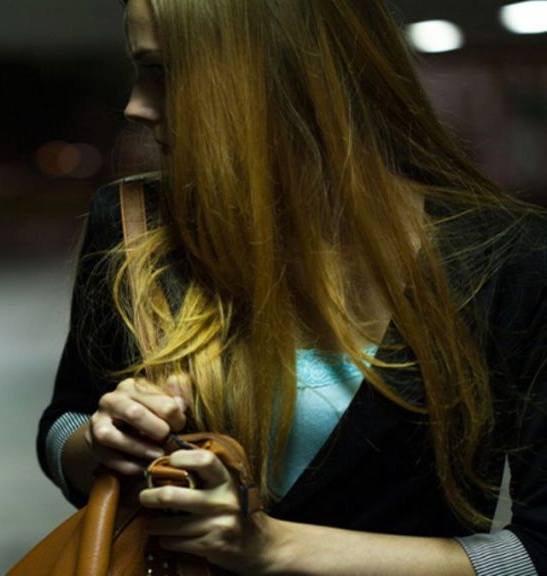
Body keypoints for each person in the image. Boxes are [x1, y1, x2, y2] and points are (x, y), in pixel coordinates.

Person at [38, 0, 547, 573]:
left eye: (163, 71)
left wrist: (271, 547)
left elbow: (535, 553)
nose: (135, 106)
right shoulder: (135, 224)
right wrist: (104, 442)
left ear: (278, 77)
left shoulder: (511, 259)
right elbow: (63, 426)